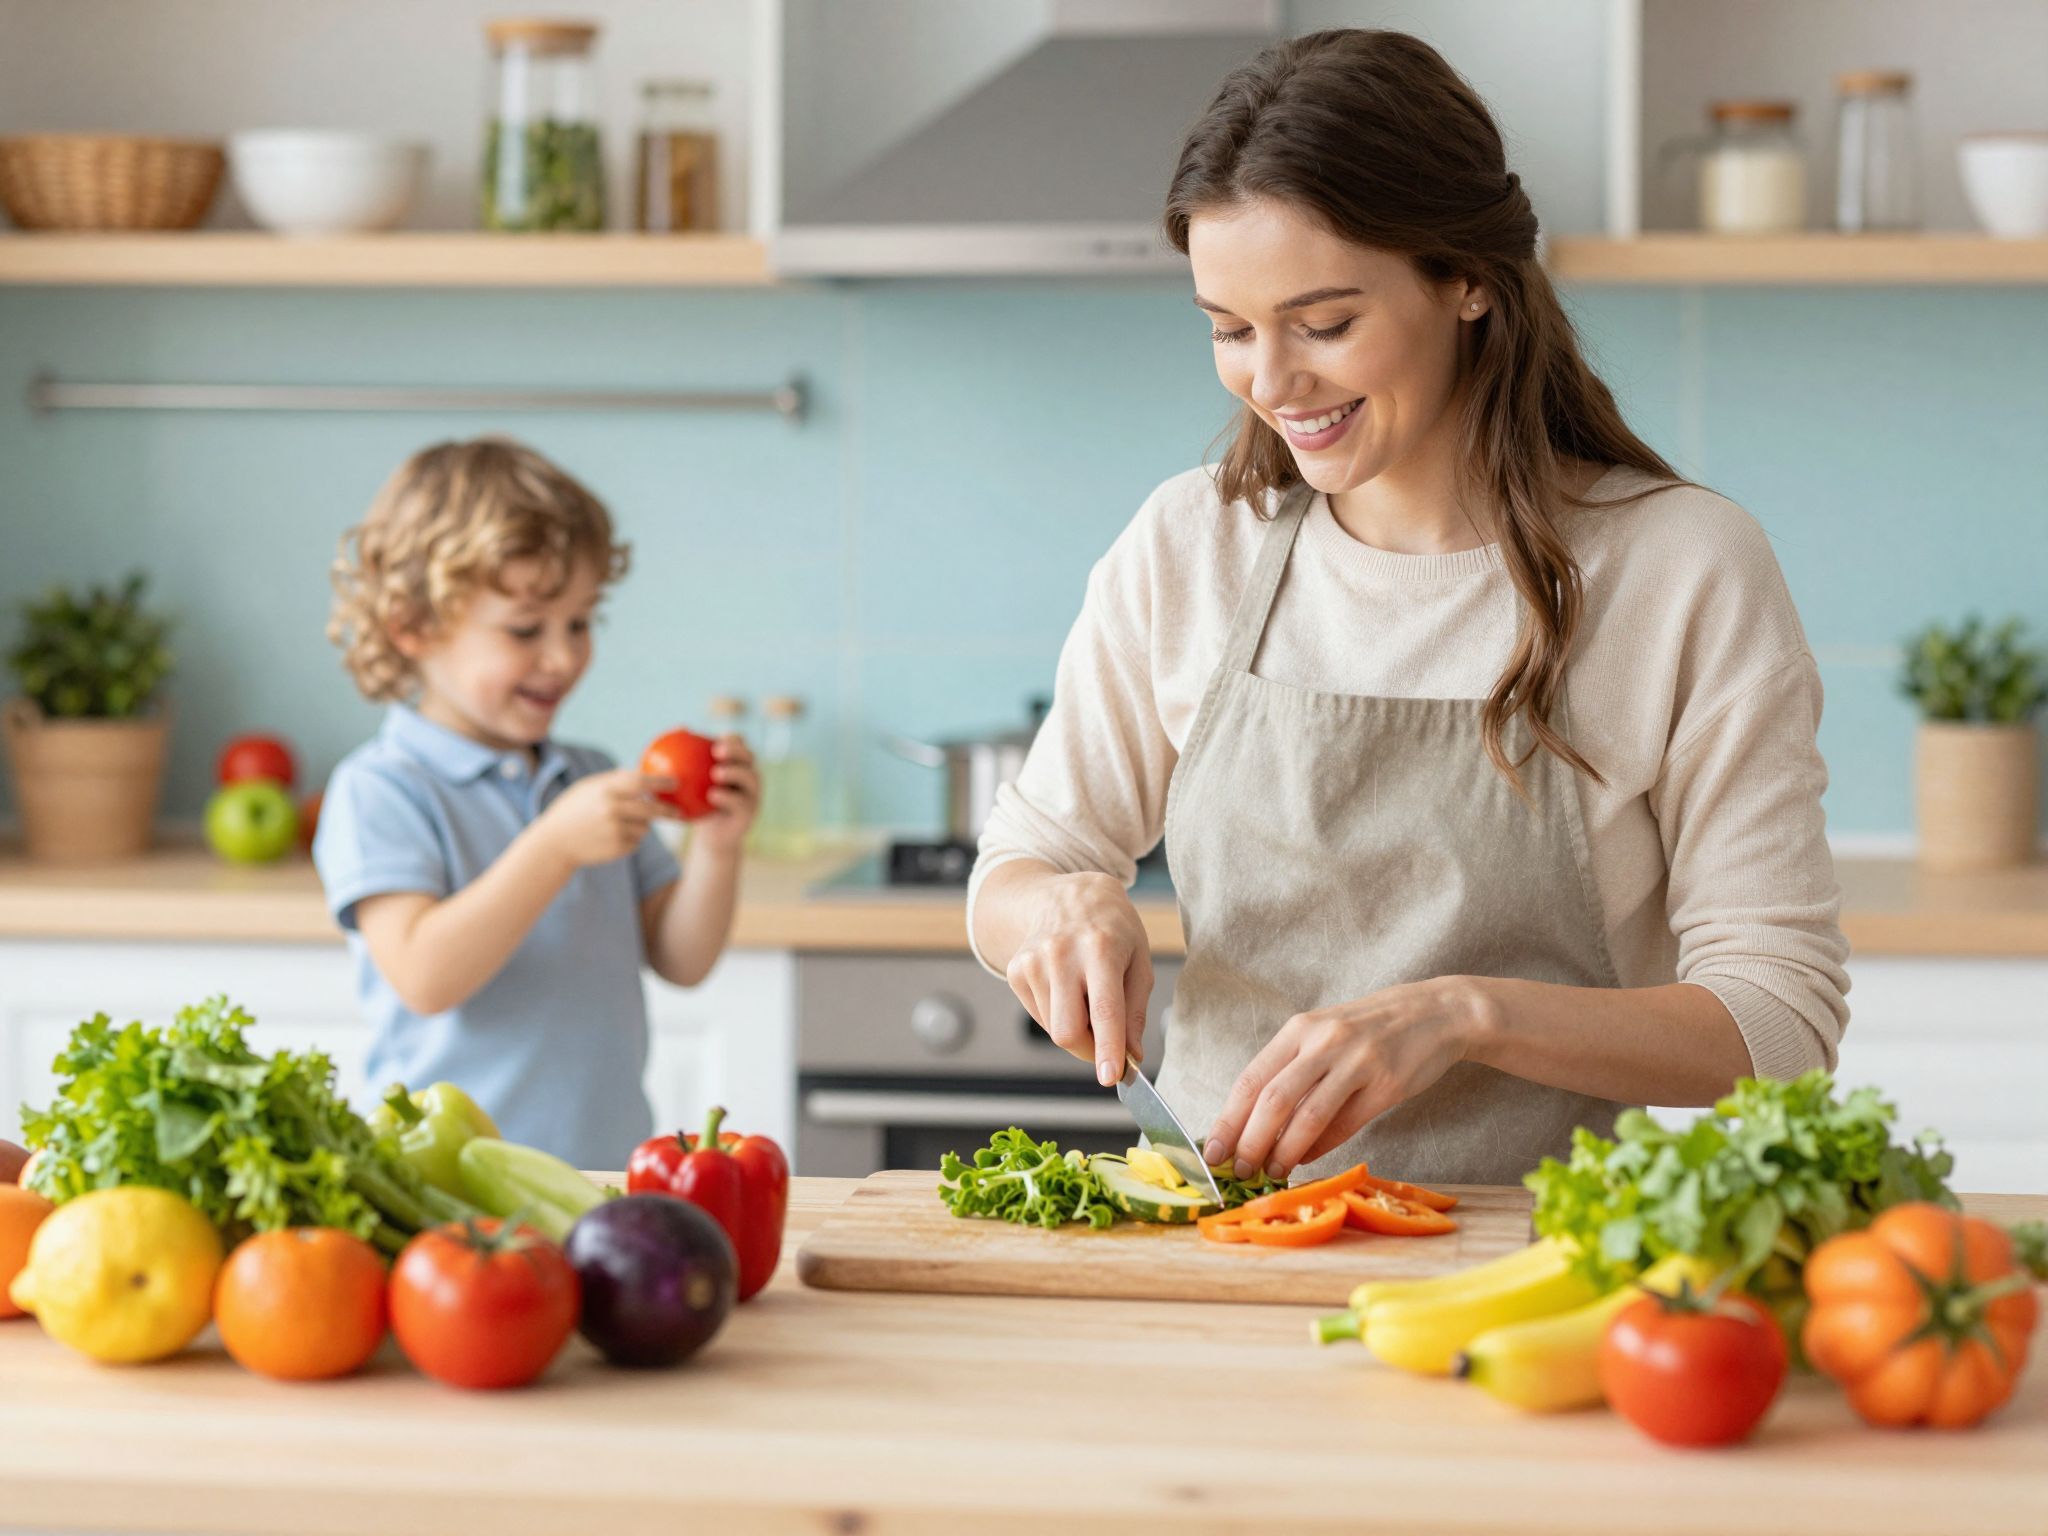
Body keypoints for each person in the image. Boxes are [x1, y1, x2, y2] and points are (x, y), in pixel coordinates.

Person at [968, 30, 1849, 1189]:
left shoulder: (1678, 567)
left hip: (1530, 1266)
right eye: (1228, 329)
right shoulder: (1192, 543)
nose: (1270, 383)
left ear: (1467, 278)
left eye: (1323, 324)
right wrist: (1055, 915)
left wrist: (1466, 1017)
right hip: (1216, 1259)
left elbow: (1777, 1021)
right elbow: (1021, 862)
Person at [315, 437, 759, 1168]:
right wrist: (552, 847)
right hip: (444, 1185)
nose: (562, 657)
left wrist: (716, 846)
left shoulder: (587, 778)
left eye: (580, 622)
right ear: (413, 628)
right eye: (526, 629)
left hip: (601, 1171)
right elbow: (425, 976)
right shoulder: (382, 788)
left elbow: (681, 957)